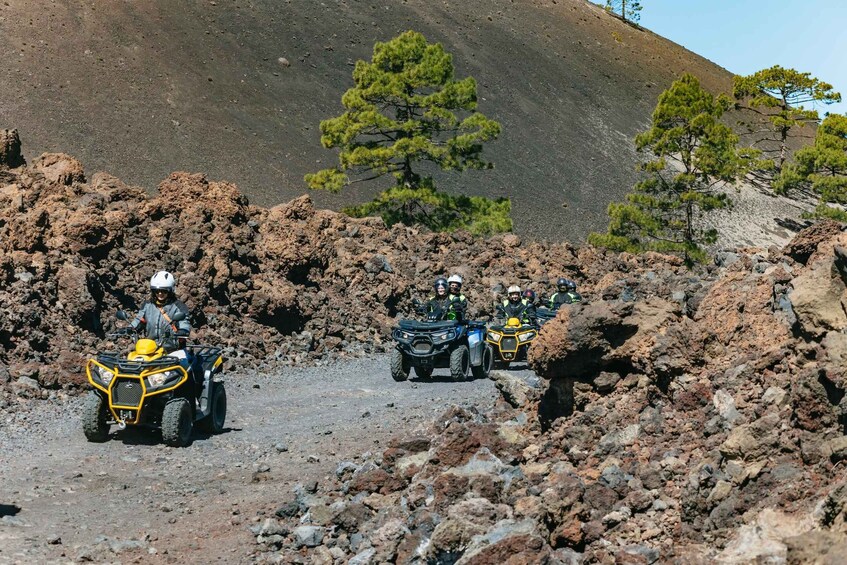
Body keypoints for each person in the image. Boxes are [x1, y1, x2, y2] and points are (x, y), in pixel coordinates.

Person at [124, 270, 191, 353]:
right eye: (157, 291)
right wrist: (129, 328)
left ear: (171, 290)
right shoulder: (147, 305)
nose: (160, 293)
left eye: (164, 291)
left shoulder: (179, 306)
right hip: (150, 348)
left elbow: (184, 321)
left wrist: (183, 331)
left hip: (172, 349)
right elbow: (139, 320)